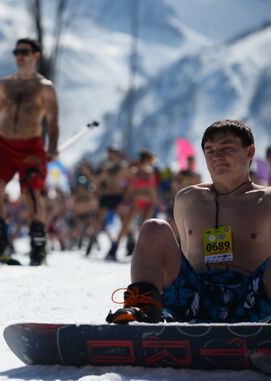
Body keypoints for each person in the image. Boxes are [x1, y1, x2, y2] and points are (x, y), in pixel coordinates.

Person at [107, 119, 271, 324]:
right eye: (210, 150)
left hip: (252, 299)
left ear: (250, 152)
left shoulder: (266, 199)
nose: (217, 156)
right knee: (153, 227)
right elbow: (184, 253)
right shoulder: (188, 198)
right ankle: (142, 311)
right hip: (195, 297)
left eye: (226, 148)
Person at [0, 37, 59, 266]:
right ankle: (0, 241)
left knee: (32, 193)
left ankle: (38, 244)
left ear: (36, 55)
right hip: (4, 144)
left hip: (31, 145)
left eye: (24, 51)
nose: (19, 55)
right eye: (16, 52)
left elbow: (52, 120)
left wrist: (52, 145)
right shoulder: (4, 84)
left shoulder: (45, 87)